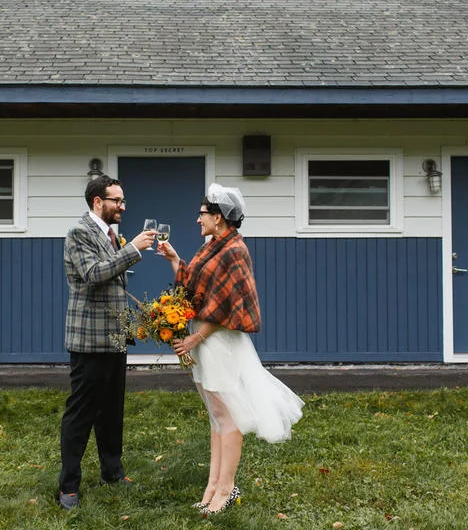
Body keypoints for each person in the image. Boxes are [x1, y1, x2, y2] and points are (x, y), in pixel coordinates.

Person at [158, 183, 304, 516]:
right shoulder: (211, 246)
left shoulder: (235, 250)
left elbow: (229, 305)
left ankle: (227, 489)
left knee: (229, 417)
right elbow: (193, 284)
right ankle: (212, 488)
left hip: (219, 342)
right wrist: (175, 258)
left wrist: (195, 339)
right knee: (216, 417)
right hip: (205, 340)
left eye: (203, 214)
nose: (198, 220)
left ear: (220, 217)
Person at [57, 174, 157, 510]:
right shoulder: (79, 233)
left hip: (115, 334)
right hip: (88, 339)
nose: (123, 206)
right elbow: (94, 274)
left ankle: (112, 472)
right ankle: (68, 486)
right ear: (98, 201)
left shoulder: (110, 234)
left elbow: (113, 280)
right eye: (117, 200)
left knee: (112, 410)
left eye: (123, 200)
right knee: (81, 413)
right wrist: (132, 250)